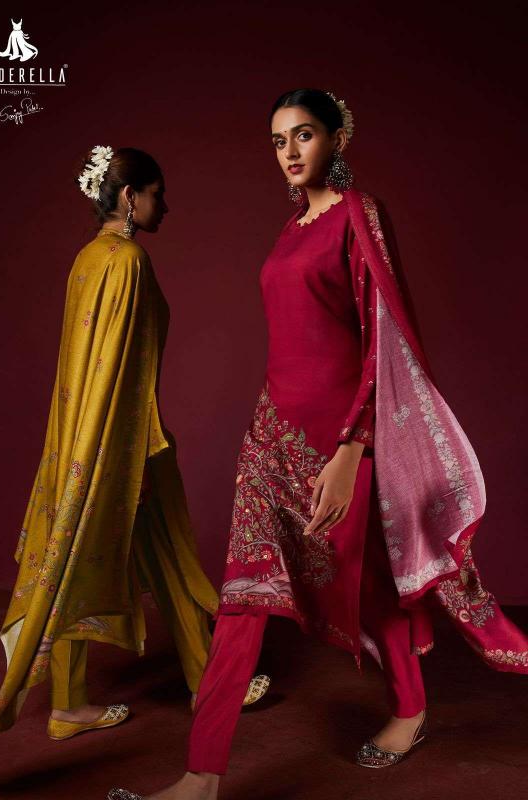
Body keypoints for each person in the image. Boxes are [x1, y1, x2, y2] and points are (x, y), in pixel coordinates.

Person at [108, 89, 528, 800]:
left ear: (337, 137)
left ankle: (410, 709)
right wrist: (271, 435)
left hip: (341, 442)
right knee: (242, 599)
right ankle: (201, 778)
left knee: (372, 581)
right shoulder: (289, 228)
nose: (290, 152)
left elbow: (382, 339)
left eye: (303, 135)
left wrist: (351, 450)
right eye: (278, 141)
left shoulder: (358, 214)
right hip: (271, 437)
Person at [0, 146, 267, 771]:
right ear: (129, 196)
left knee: (76, 549)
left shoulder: (86, 259)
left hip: (84, 437)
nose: (164, 206)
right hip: (125, 440)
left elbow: (86, 368)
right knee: (154, 554)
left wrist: (85, 453)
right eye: (156, 193)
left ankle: (76, 702)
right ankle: (203, 682)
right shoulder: (127, 261)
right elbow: (117, 368)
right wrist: (124, 456)